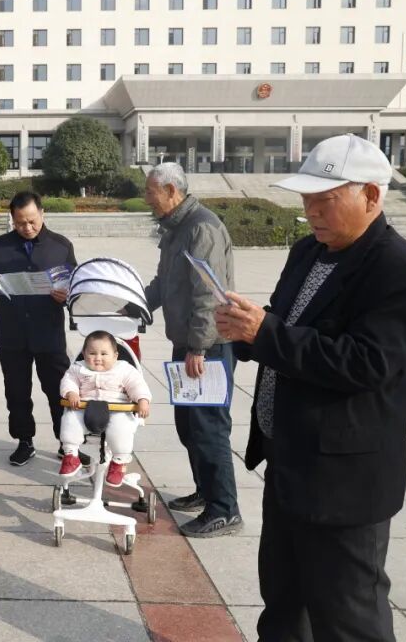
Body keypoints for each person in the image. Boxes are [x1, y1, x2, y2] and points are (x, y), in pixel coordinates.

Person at [215, 134, 406, 641]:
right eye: (306, 198)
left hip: (344, 480)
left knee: (348, 617)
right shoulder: (308, 252)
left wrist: (267, 334)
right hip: (290, 461)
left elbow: (367, 362)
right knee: (283, 605)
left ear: (371, 196)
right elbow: (286, 321)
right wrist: (246, 330)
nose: (310, 210)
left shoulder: (397, 268)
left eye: (325, 199)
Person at [143, 162, 241, 538]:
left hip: (208, 347)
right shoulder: (175, 229)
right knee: (189, 426)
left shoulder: (202, 227)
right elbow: (163, 282)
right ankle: (206, 491)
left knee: (208, 427)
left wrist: (198, 346)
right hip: (187, 343)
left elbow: (207, 294)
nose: (147, 199)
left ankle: (225, 510)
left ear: (171, 190)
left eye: (151, 192)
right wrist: (135, 305)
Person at [0, 191, 84, 467]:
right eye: (20, 223)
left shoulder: (60, 246)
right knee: (17, 392)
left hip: (49, 334)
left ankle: (67, 443)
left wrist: (67, 295)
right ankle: (24, 441)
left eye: (32, 221)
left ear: (42, 213)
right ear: (12, 219)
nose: (28, 227)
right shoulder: (1, 246)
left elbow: (77, 286)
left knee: (59, 390)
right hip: (12, 334)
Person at [58, 331, 151, 486]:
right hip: (85, 408)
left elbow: (137, 384)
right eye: (92, 353)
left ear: (115, 356)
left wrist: (142, 399)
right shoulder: (78, 368)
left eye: (104, 354)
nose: (98, 358)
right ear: (84, 354)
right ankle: (71, 454)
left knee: (121, 428)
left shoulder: (124, 369)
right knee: (70, 419)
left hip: (117, 409)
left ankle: (119, 461)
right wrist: (71, 392)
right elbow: (68, 381)